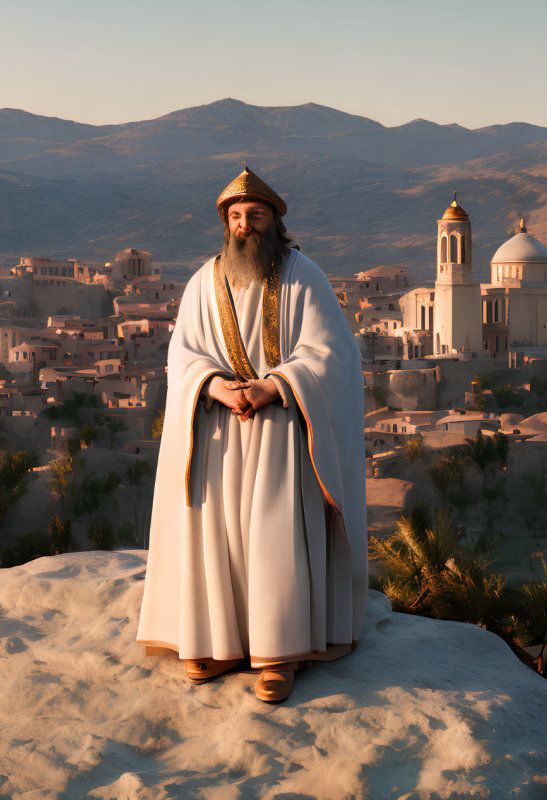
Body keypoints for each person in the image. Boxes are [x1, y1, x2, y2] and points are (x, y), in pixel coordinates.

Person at [136, 168, 367, 703]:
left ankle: (279, 654)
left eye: (255, 216)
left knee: (272, 538)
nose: (245, 226)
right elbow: (184, 355)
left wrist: (273, 387)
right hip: (220, 430)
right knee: (218, 536)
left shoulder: (304, 277)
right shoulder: (202, 282)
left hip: (282, 429)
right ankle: (216, 643)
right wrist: (216, 388)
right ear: (226, 223)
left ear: (275, 221)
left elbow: (331, 355)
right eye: (236, 217)